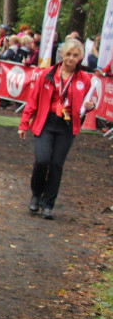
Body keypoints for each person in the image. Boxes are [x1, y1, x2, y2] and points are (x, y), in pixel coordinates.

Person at [18, 38, 98, 219]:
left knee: (56, 165)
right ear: (62, 55)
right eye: (68, 54)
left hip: (67, 125)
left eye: (75, 55)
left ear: (80, 58)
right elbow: (33, 100)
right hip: (45, 122)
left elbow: (90, 101)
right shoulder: (47, 75)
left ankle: (48, 204)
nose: (71, 58)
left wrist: (91, 105)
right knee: (42, 160)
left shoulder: (84, 79)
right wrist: (24, 124)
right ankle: (36, 195)